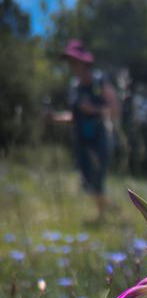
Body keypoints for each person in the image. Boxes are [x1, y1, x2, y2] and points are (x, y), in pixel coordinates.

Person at [50, 40, 118, 219]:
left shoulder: (99, 82)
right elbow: (73, 116)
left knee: (98, 176)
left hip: (100, 136)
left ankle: (103, 214)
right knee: (86, 180)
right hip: (81, 139)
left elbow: (115, 109)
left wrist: (94, 110)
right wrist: (54, 118)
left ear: (84, 62)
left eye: (74, 61)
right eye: (69, 62)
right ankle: (105, 208)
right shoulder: (74, 88)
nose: (71, 66)